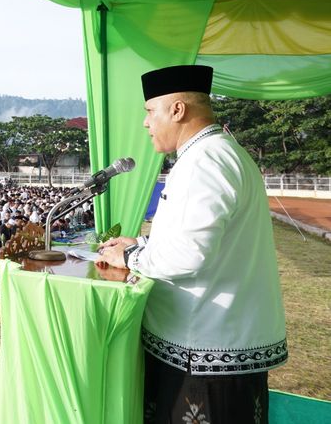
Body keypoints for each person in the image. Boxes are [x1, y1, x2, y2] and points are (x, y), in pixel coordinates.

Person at [96, 65, 286, 424]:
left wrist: (131, 255)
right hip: (215, 344)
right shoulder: (216, 152)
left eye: (150, 112)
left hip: (204, 355)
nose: (146, 123)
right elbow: (203, 238)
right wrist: (142, 242)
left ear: (178, 110)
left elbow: (190, 254)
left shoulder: (205, 161)